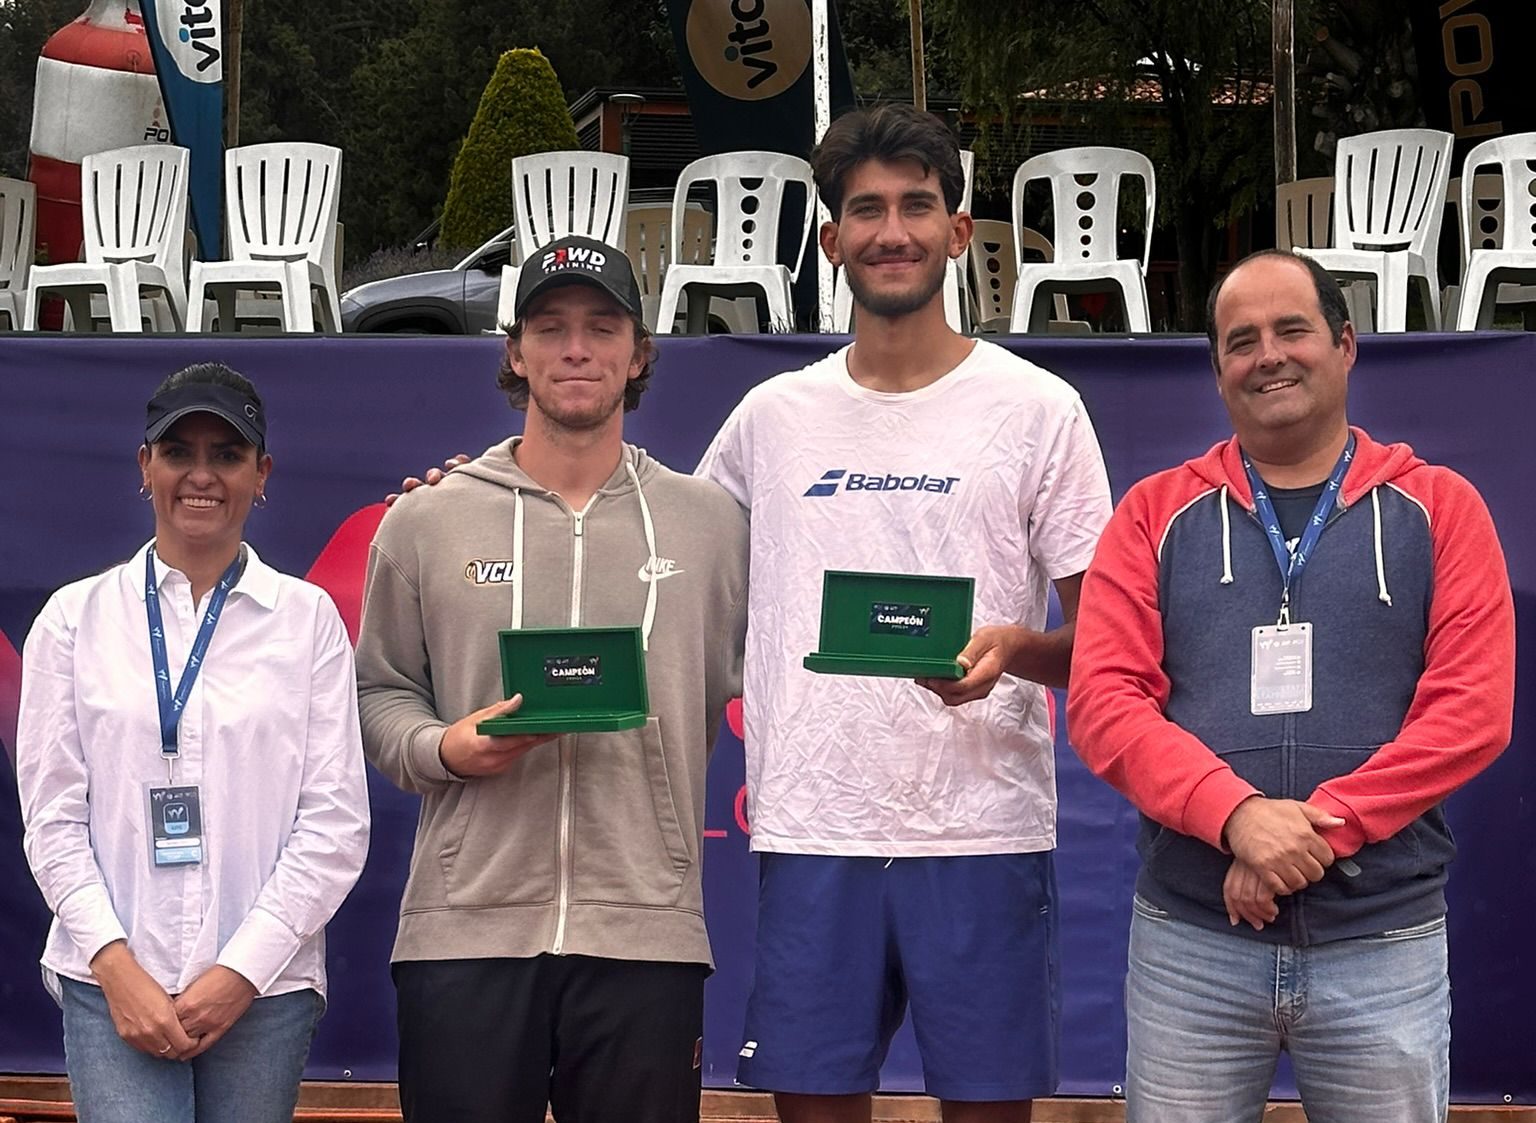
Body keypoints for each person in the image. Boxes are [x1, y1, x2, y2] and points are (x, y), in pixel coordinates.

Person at [695, 104, 1113, 1123]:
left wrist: (1013, 651)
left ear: (959, 231)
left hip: (981, 833)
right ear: (831, 241)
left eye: (918, 205)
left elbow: (1108, 639)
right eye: (867, 210)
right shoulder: (770, 418)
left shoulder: (1038, 408)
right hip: (814, 828)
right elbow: (669, 560)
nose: (894, 230)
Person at [1066, 249, 1516, 1122]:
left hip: (1383, 944)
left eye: (1291, 330)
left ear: (1346, 345)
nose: (1267, 354)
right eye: (1241, 341)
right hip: (1192, 946)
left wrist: (1306, 837)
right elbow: (1105, 701)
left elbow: (1471, 712)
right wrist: (1236, 816)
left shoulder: (1442, 508)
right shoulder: (1153, 514)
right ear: (1217, 369)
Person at [355, 235, 749, 1123]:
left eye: (603, 327)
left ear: (640, 353)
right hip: (464, 926)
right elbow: (377, 694)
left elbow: (779, 678)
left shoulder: (712, 524)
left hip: (645, 930)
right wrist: (445, 747)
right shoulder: (427, 521)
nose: (577, 348)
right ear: (514, 351)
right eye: (552, 326)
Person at [16, 362, 372, 1123]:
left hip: (262, 990)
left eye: (227, 454)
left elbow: (335, 823)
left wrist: (238, 972)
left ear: (262, 473)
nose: (201, 475)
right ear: (146, 466)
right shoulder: (74, 620)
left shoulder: (306, 622)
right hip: (111, 977)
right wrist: (117, 967)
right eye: (178, 451)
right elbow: (51, 818)